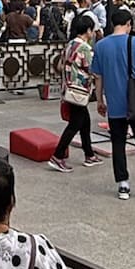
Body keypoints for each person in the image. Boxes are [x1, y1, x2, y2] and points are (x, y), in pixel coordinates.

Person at [90, 9, 135, 203]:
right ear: (129, 24)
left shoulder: (101, 46)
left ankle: (123, 184)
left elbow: (98, 76)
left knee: (118, 143)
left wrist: (100, 100)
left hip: (114, 103)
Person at [49, 15, 101, 173]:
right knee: (75, 124)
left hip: (69, 89)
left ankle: (89, 154)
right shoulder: (84, 48)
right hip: (79, 91)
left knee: (85, 122)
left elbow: (60, 65)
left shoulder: (70, 44)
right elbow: (93, 70)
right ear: (88, 30)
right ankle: (58, 156)